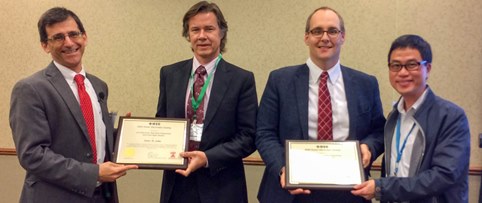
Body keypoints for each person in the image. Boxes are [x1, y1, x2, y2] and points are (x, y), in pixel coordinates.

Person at [255, 6, 385, 203]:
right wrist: (283, 168)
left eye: (332, 31)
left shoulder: (366, 84)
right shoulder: (280, 80)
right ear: (306, 37)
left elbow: (379, 131)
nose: (325, 37)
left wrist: (369, 147)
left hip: (348, 193)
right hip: (290, 193)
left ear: (343, 36)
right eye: (317, 31)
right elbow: (264, 133)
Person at [9, 7, 138, 203]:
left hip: (102, 196)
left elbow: (88, 136)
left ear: (84, 37)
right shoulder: (30, 89)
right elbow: (32, 155)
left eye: (73, 34)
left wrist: (123, 135)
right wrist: (93, 173)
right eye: (58, 37)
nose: (69, 43)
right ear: (45, 45)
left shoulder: (98, 85)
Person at [155, 1, 258, 203]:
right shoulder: (169, 74)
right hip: (177, 186)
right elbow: (163, 122)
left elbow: (249, 137)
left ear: (221, 33)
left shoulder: (241, 79)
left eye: (209, 29)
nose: (202, 36)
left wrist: (207, 158)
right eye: (195, 30)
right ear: (188, 35)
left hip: (222, 187)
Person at [351, 34, 471, 202]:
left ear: (427, 69)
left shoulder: (451, 117)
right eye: (396, 66)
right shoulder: (394, 117)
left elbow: (444, 176)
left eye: (412, 65)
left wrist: (382, 188)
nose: (402, 72)